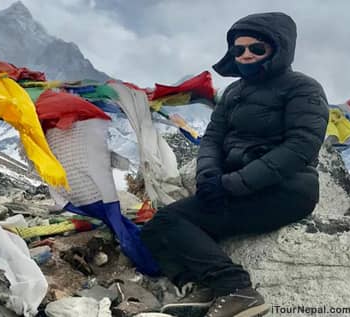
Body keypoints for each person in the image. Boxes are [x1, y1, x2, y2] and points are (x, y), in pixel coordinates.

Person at [141, 12, 329, 317]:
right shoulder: (234, 92)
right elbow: (213, 139)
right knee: (155, 229)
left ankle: (236, 289)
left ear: (278, 48)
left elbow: (300, 147)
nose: (245, 55)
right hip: (236, 187)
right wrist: (209, 176)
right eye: (238, 49)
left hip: (285, 191)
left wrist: (233, 183)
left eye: (256, 48)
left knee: (170, 222)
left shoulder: (303, 88)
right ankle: (206, 288)